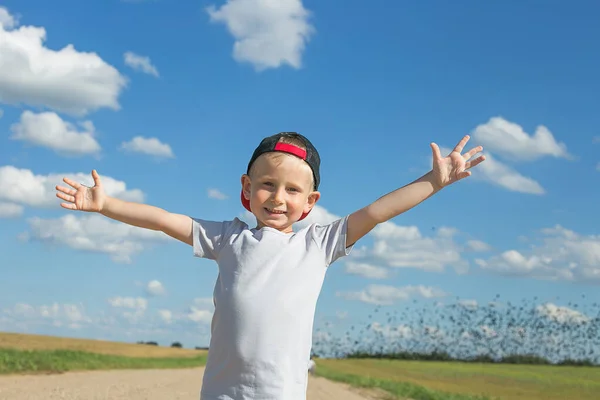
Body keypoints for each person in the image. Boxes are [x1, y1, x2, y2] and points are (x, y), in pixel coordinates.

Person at [55, 132, 485, 400]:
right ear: (247, 188)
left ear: (310, 202)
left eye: (293, 189)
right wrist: (107, 205)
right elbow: (166, 220)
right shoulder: (227, 237)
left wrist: (434, 181)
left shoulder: (320, 243)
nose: (278, 197)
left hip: (281, 393)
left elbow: (376, 212)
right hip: (221, 392)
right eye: (267, 184)